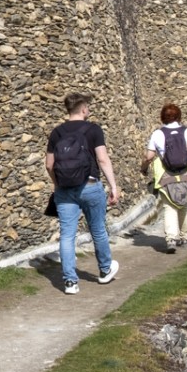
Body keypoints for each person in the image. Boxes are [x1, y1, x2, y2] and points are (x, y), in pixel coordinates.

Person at [45, 92, 121, 294]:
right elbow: (103, 160)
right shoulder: (93, 130)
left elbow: (49, 165)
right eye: (88, 106)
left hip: (65, 190)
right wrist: (113, 186)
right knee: (97, 229)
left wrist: (57, 184)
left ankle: (70, 282)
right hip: (90, 186)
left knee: (67, 236)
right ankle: (105, 270)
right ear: (83, 109)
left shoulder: (57, 133)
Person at [140, 103, 187, 253]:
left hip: (166, 175)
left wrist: (144, 168)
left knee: (169, 207)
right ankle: (185, 237)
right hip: (185, 174)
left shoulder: (157, 134)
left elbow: (149, 157)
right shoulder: (186, 131)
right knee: (184, 204)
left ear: (162, 118)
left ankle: (171, 239)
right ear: (179, 117)